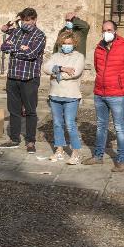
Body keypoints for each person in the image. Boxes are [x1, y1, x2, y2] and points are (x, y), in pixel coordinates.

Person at [84, 20, 124, 172]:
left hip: (117, 95)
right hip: (100, 93)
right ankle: (98, 156)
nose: (106, 32)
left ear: (115, 31)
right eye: (104, 30)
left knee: (119, 128)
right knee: (101, 126)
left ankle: (121, 161)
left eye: (109, 30)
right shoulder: (99, 48)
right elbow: (98, 68)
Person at [0, 8, 46, 152]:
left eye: (27, 20)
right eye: (23, 20)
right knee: (13, 110)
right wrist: (21, 47)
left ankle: (30, 141)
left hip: (29, 78)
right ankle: (14, 138)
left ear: (34, 20)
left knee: (31, 111)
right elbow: (4, 46)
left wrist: (14, 48)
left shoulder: (39, 35)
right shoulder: (16, 32)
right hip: (13, 77)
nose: (25, 23)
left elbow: (31, 54)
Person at [45, 31, 86, 164]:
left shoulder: (79, 56)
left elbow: (75, 72)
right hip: (55, 94)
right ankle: (59, 150)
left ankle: (76, 152)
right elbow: (45, 68)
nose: (66, 45)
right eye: (64, 43)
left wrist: (56, 74)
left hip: (71, 95)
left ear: (74, 44)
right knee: (57, 124)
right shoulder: (55, 55)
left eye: (69, 43)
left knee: (70, 124)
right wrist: (62, 68)